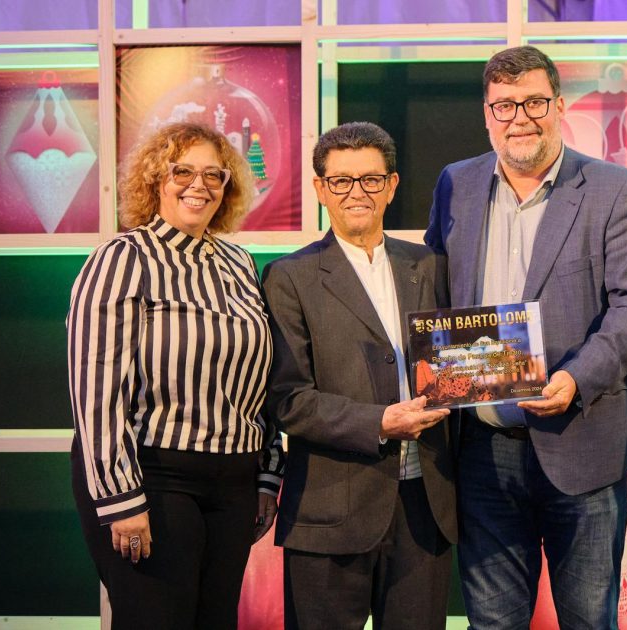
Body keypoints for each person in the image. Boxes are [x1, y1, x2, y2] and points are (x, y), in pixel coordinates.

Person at [425, 46, 627, 628]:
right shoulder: (456, 183)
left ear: (558, 105)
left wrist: (575, 378)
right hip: (482, 452)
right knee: (492, 623)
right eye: (504, 105)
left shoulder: (617, 189)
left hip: (582, 443)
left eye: (533, 102)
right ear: (487, 114)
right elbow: (433, 292)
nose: (519, 118)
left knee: (588, 620)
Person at [67, 122, 284, 630]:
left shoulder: (239, 263)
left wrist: (266, 474)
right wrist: (120, 497)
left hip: (234, 482)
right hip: (153, 477)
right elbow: (97, 391)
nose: (198, 185)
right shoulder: (123, 258)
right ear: (154, 179)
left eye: (214, 175)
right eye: (182, 171)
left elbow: (262, 381)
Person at [263, 121, 456, 630]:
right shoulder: (289, 276)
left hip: (425, 508)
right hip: (329, 511)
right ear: (320, 188)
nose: (357, 193)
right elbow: (288, 399)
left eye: (370, 179)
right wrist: (380, 422)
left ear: (391, 186)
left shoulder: (431, 266)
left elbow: (461, 361)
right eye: (342, 181)